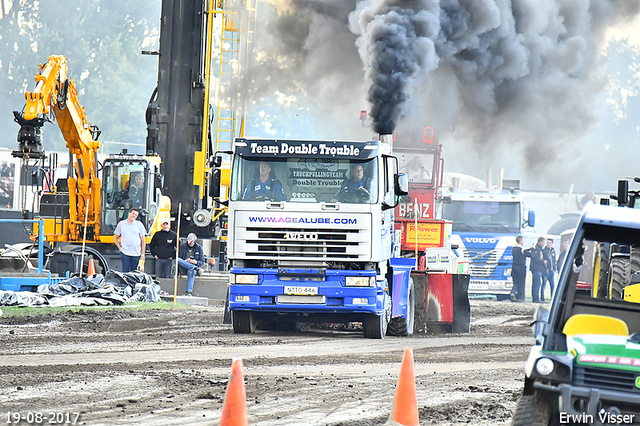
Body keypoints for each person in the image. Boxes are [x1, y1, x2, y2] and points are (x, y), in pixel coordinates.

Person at [114, 208, 146, 273]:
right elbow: (116, 238)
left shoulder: (139, 224)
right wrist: (120, 248)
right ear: (129, 213)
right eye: (133, 214)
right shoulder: (121, 224)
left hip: (136, 253)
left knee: (135, 273)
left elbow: (143, 240)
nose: (134, 216)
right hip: (125, 253)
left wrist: (143, 254)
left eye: (136, 215)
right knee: (126, 273)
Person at [524, 237, 547, 303]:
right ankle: (535, 298)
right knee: (536, 283)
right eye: (543, 242)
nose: (543, 244)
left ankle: (536, 297)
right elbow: (535, 257)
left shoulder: (541, 249)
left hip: (540, 269)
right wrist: (543, 262)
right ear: (540, 242)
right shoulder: (536, 249)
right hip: (536, 268)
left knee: (538, 283)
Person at [510, 235, 526, 302]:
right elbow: (528, 254)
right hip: (521, 268)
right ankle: (520, 297)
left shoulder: (513, 249)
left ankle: (513, 293)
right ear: (521, 241)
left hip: (514, 267)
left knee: (515, 282)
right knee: (521, 283)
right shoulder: (522, 249)